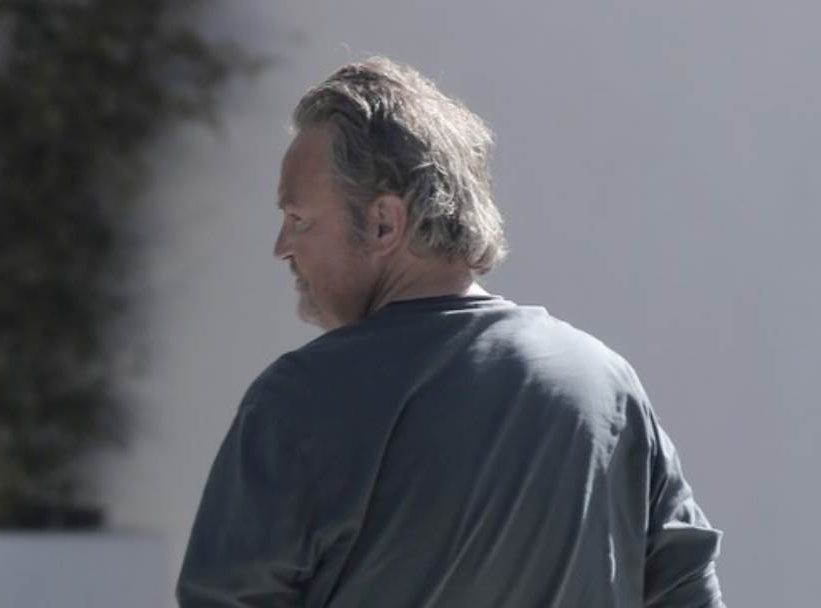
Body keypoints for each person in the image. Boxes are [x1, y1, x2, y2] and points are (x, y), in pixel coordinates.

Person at [176, 56, 724, 607]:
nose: (282, 247)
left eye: (299, 219)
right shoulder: (605, 382)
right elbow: (687, 592)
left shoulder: (305, 394)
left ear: (384, 223)